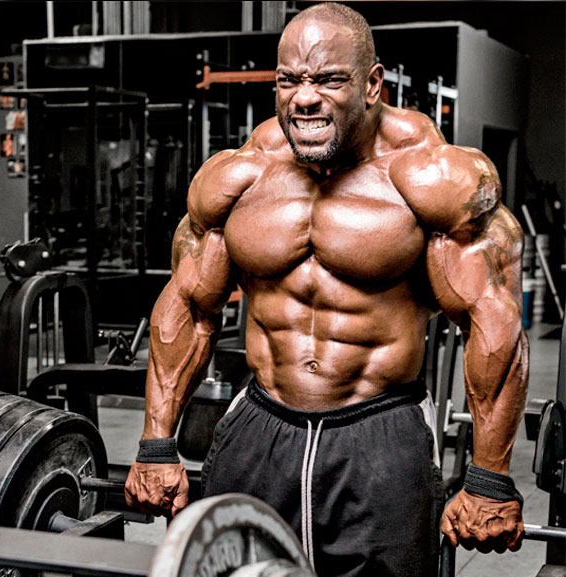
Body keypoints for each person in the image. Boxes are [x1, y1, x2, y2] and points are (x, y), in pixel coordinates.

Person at [123, 3, 528, 576]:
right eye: (289, 80)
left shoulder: (434, 177)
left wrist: (488, 476)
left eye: (329, 80)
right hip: (260, 423)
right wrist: (156, 445)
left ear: (373, 85)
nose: (304, 98)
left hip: (378, 432)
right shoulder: (239, 174)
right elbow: (190, 305)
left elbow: (493, 316)